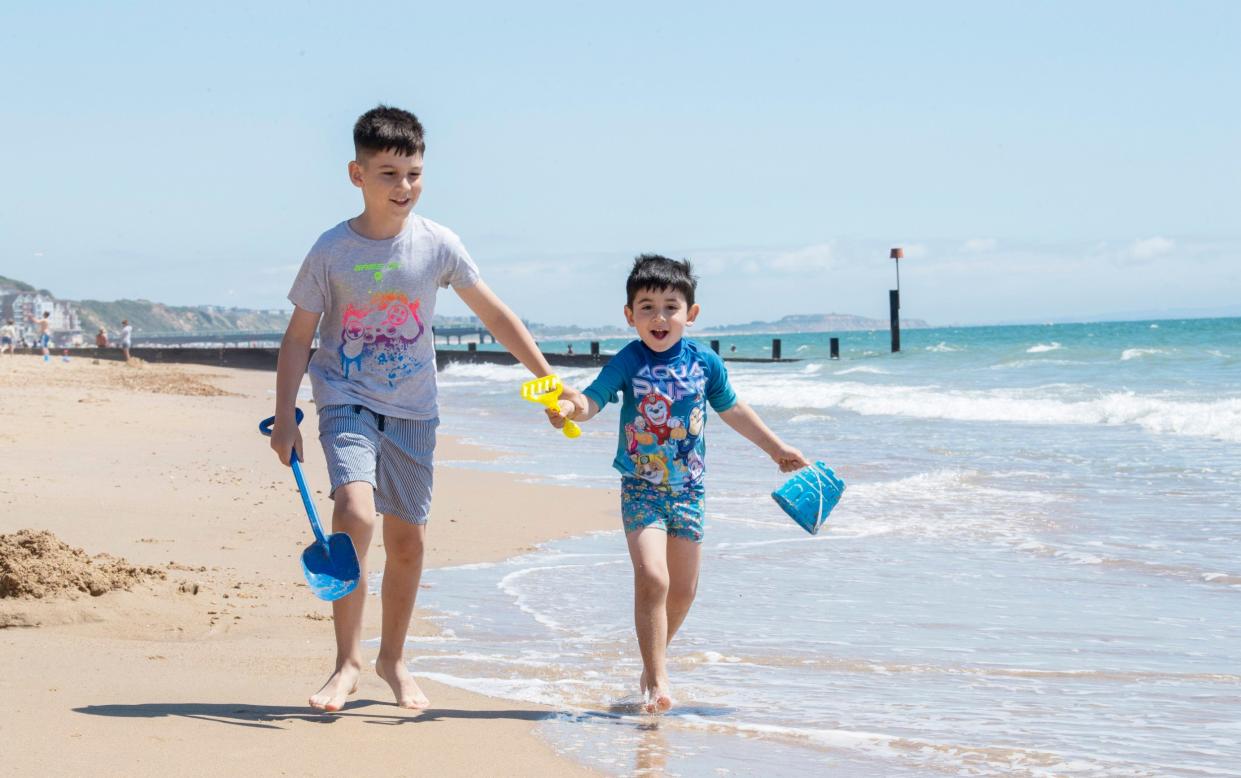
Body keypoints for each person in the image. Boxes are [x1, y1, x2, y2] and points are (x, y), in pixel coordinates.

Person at [270, 105, 583, 713]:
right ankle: (347, 664)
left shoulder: (439, 245)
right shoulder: (331, 250)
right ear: (356, 174)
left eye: (414, 173)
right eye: (389, 173)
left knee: (407, 540)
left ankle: (392, 657)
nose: (404, 187)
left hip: (415, 408)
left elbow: (495, 315)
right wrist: (286, 415)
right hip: (345, 398)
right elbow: (298, 337)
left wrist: (549, 381)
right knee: (355, 513)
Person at [551, 254, 807, 713]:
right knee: (653, 577)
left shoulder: (705, 362)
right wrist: (570, 411)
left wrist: (775, 448)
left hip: (690, 490)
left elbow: (734, 411)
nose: (659, 317)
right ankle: (658, 679)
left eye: (671, 306)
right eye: (646, 307)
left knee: (684, 590)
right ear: (630, 316)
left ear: (691, 314)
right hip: (641, 489)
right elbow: (594, 400)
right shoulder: (629, 360)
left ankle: (652, 662)